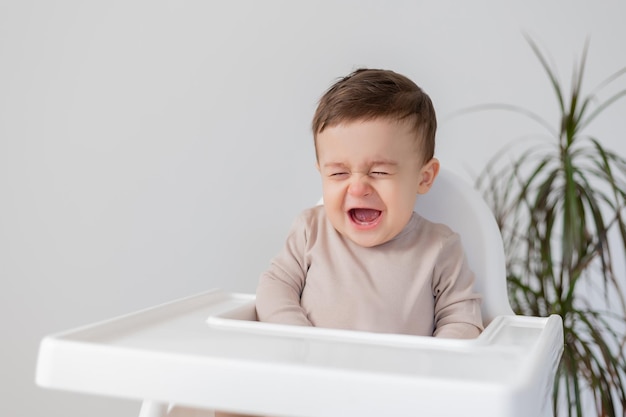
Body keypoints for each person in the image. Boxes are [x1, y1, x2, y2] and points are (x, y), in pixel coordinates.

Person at [255, 68, 483, 339]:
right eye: (339, 173)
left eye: (380, 172)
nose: (359, 187)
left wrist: (432, 365)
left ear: (423, 178)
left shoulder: (438, 247)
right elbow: (274, 286)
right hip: (314, 371)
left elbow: (463, 320)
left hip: (400, 378)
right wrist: (300, 338)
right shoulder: (311, 230)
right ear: (321, 172)